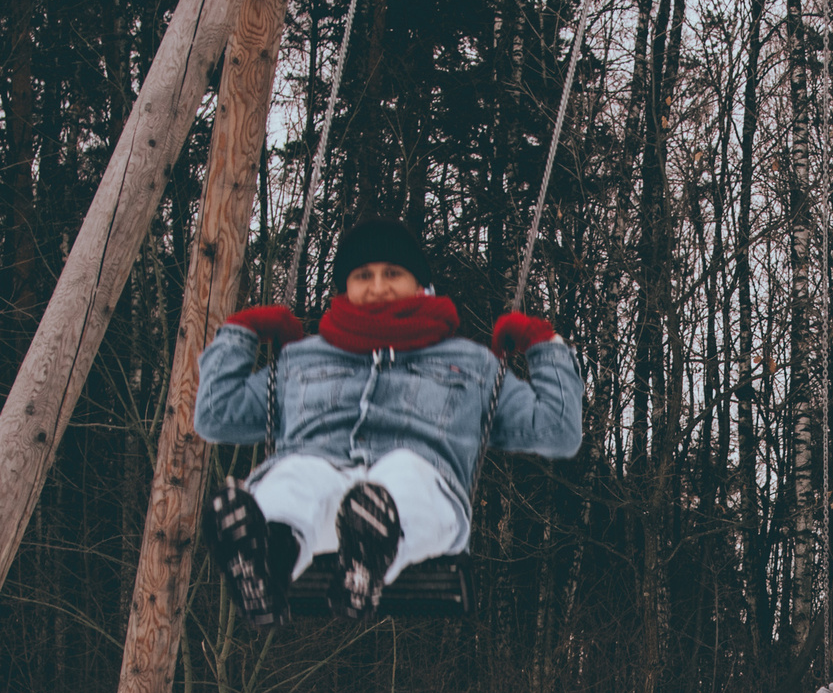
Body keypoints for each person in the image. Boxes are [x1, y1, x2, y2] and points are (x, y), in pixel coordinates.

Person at [193, 218, 584, 622]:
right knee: (297, 473)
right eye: (363, 276)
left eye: (392, 274)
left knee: (405, 471)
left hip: (420, 498)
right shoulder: (303, 358)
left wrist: (543, 345)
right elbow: (216, 416)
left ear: (420, 285)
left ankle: (368, 557)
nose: (377, 287)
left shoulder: (471, 364)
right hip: (320, 501)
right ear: (346, 288)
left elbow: (557, 431)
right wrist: (241, 333)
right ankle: (265, 562)